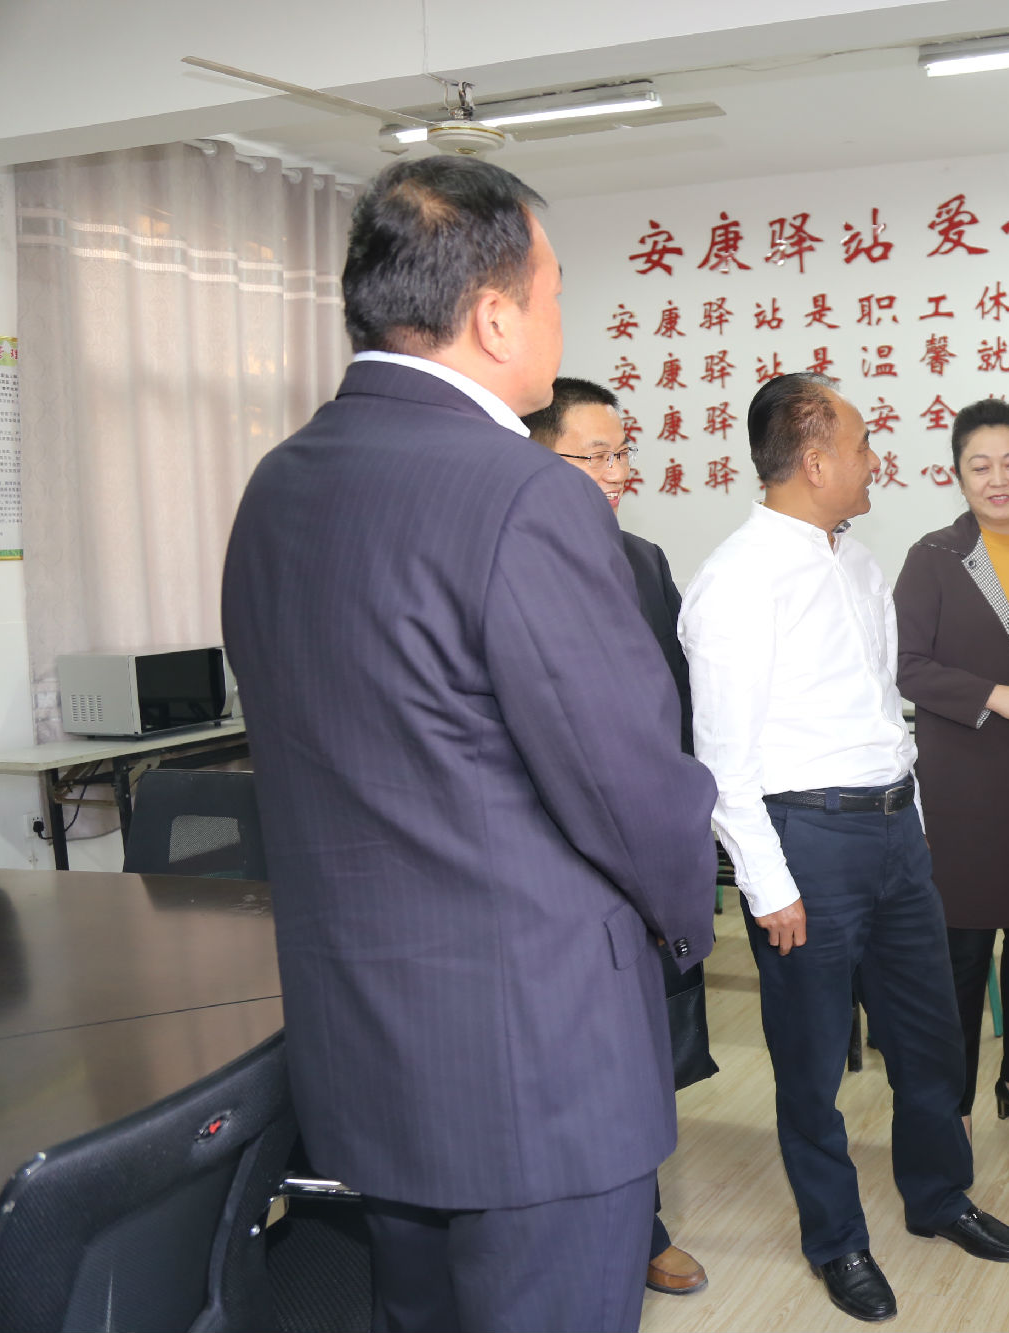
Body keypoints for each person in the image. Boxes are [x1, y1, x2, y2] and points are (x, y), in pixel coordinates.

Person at [222, 157, 716, 1333]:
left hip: (366, 1047)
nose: (559, 317)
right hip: (538, 1059)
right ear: (495, 317)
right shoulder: (525, 494)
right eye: (554, 293)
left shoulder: (276, 487)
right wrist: (682, 924)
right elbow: (625, 782)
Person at [678, 373, 1009, 1324]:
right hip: (807, 842)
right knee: (812, 1060)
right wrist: (768, 884)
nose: (877, 460)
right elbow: (722, 762)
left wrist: (912, 827)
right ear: (815, 460)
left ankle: (939, 1196)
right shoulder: (737, 581)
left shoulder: (861, 564)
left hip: (893, 831)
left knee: (929, 1037)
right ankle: (836, 1239)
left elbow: (883, 713)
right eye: (864, 445)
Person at [520, 376, 709, 1299]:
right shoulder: (515, 560)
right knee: (573, 1066)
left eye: (621, 453)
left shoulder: (644, 561)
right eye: (590, 455)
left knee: (649, 1058)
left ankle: (642, 1223)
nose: (616, 471)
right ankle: (591, 1232)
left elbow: (672, 711)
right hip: (558, 863)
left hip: (645, 850)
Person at [895, 399, 1009, 1146]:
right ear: (958, 473)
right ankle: (958, 1099)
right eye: (981, 466)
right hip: (966, 784)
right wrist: (993, 696)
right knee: (964, 950)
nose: (998, 479)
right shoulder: (933, 557)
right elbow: (906, 665)